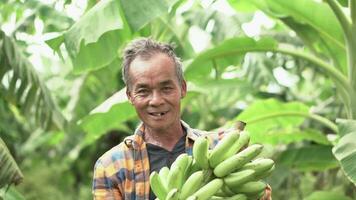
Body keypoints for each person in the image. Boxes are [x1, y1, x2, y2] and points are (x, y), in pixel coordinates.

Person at [92, 38, 271, 200]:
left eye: (166, 88)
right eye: (143, 91)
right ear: (130, 96)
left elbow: (260, 193)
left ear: (183, 88)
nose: (156, 100)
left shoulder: (220, 147)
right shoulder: (110, 166)